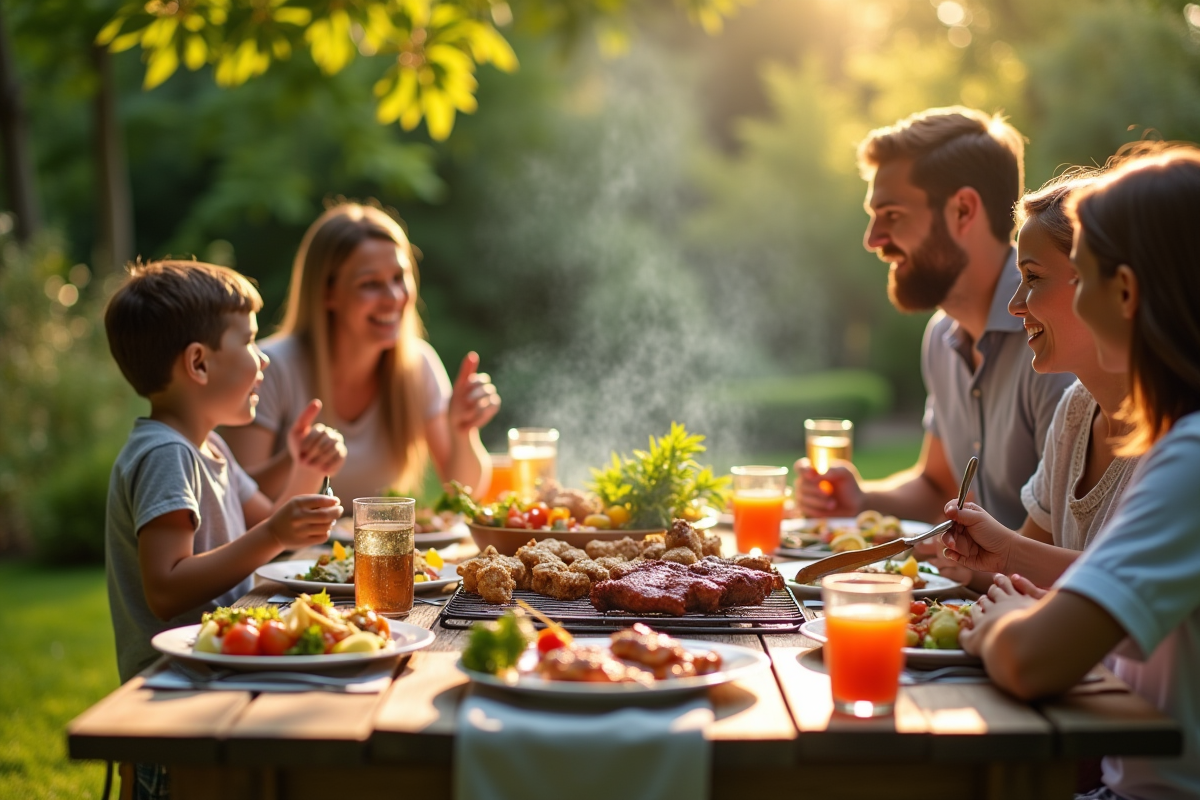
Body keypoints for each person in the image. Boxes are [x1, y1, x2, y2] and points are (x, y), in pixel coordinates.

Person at [958, 146, 1200, 800]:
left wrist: (999, 623)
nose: (1018, 304)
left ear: (1124, 292)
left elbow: (1031, 659)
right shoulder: (1176, 433)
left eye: (1083, 275)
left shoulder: (1190, 458)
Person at [104, 261, 345, 798]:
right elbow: (165, 588)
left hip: (218, 674)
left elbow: (272, 519)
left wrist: (302, 465)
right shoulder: (166, 454)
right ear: (199, 363)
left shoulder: (208, 447)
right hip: (176, 703)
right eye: (251, 342)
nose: (263, 361)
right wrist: (275, 536)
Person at [795, 107, 1075, 530]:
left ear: (963, 211)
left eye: (892, 215)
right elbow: (936, 485)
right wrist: (861, 497)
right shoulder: (942, 336)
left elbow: (1069, 540)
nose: (873, 240)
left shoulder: (1053, 333)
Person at [224, 202, 500, 504]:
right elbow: (233, 500)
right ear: (327, 293)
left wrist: (463, 430)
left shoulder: (417, 364)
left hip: (377, 550)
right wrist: (298, 460)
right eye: (370, 284)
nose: (394, 298)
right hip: (292, 552)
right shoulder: (270, 366)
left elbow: (463, 491)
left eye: (399, 278)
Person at [940, 173, 1139, 588]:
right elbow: (1018, 578)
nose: (1015, 305)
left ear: (1114, 285)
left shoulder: (1178, 437)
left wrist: (1009, 554)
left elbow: (1131, 589)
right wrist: (988, 557)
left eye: (1032, 278)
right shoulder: (1076, 410)